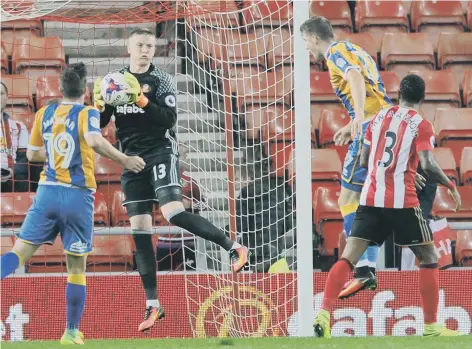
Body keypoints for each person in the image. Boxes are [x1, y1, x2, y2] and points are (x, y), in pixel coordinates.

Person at [94, 28, 249, 333]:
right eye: (140, 45)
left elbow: (168, 119)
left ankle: (234, 247)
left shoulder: (161, 80)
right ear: (128, 48)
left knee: (172, 213)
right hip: (131, 159)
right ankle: (153, 304)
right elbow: (101, 124)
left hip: (160, 151)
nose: (145, 50)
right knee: (139, 230)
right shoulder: (115, 82)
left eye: (150, 46)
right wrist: (100, 105)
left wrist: (140, 99)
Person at [0, 63, 145, 345]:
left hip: (47, 193)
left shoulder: (44, 112)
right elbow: (93, 140)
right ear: (86, 91)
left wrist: (55, 156)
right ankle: (70, 331)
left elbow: (31, 156)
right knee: (76, 268)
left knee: (18, 254)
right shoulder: (88, 112)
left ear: (60, 89)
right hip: (77, 197)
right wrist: (125, 160)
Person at [313, 74, 463, 338]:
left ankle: (323, 314)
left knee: (348, 257)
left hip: (371, 199)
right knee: (428, 259)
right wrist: (450, 185)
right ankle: (430, 327)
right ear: (422, 98)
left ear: (398, 95)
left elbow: (363, 162)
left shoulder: (377, 119)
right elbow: (427, 164)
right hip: (402, 202)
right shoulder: (421, 124)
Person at [300, 16, 393, 297]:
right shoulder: (355, 48)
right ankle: (368, 269)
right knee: (369, 201)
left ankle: (364, 270)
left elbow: (353, 76)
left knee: (348, 199)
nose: (306, 48)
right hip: (385, 123)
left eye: (305, 41)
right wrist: (353, 120)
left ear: (314, 38)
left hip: (371, 128)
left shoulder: (335, 54)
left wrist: (358, 120)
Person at [0, 80, 29, 192]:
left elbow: (24, 160)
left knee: (22, 180)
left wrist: (11, 171)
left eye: (1, 93)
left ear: (6, 98)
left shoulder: (19, 127)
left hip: (12, 178)